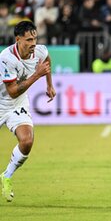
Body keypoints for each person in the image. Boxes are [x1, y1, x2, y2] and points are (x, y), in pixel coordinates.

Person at [0, 21, 55, 202]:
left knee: (27, 141)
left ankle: (6, 176)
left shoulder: (39, 51)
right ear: (18, 39)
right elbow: (12, 90)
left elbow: (47, 59)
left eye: (35, 38)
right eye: (29, 39)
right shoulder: (6, 58)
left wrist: (49, 84)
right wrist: (37, 75)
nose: (33, 43)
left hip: (17, 104)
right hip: (2, 102)